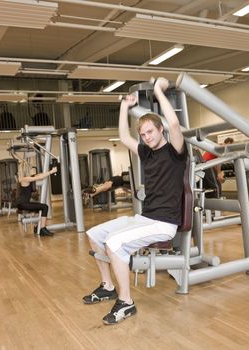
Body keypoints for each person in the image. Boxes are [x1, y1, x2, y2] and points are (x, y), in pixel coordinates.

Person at [82, 77, 188, 325]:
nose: (146, 137)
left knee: (114, 242)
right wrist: (123, 106)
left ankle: (126, 302)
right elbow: (122, 136)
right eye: (143, 134)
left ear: (160, 130)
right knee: (94, 233)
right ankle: (108, 286)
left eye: (150, 131)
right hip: (145, 217)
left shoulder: (175, 152)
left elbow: (174, 122)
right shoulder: (145, 153)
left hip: (164, 222)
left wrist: (160, 90)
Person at [16, 164, 57, 236]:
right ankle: (43, 229)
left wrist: (45, 172)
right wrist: (51, 171)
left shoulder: (23, 178)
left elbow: (38, 175)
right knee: (45, 207)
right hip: (23, 204)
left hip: (23, 203)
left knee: (38, 208)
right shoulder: (24, 179)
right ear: (26, 170)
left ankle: (36, 227)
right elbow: (38, 177)